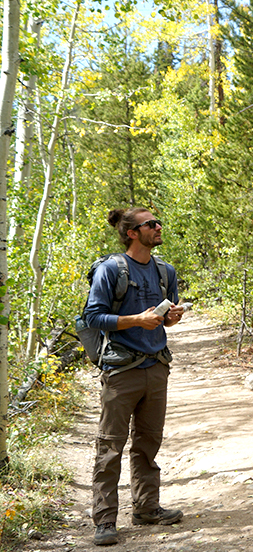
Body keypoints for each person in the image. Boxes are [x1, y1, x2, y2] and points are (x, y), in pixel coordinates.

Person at [82, 208, 186, 546]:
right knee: (110, 447)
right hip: (121, 371)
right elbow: (93, 316)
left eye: (159, 222)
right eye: (151, 224)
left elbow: (164, 321)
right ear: (131, 232)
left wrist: (171, 318)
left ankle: (146, 508)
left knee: (147, 444)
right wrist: (136, 320)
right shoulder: (111, 270)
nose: (158, 227)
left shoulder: (165, 270)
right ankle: (105, 521)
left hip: (156, 367)